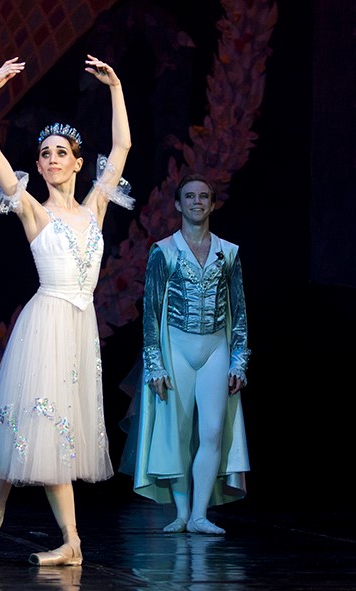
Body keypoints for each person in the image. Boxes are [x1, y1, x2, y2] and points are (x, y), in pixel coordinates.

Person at [0, 55, 134, 565]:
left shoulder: (96, 208)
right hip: (46, 324)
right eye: (45, 154)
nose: (53, 158)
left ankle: (20, 521)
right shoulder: (34, 212)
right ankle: (48, 533)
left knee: (44, 427)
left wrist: (116, 88)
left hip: (79, 327)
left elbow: (123, 147)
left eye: (62, 152)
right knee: (35, 421)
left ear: (78, 163)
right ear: (38, 167)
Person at [122, 173, 250, 535]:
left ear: (212, 204)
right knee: (177, 431)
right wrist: (154, 364)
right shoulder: (164, 251)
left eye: (203, 196)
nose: (197, 202)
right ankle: (180, 513)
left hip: (215, 348)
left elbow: (239, 310)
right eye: (190, 196)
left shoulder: (228, 252)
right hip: (176, 346)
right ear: (179, 204)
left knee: (212, 431)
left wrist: (239, 360)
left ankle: (199, 514)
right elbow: (151, 312)